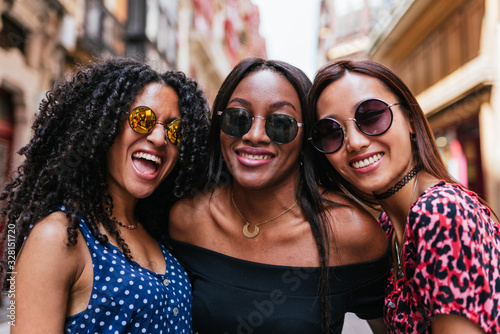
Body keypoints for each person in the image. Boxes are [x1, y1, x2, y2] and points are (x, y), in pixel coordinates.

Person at [168, 57, 390, 334]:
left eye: (280, 124)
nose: (255, 135)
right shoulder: (186, 220)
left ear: (307, 138)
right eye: (238, 119)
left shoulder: (351, 232)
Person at [0, 58, 210, 333]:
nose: (160, 139)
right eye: (143, 119)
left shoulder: (159, 233)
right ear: (105, 126)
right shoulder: (58, 236)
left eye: (174, 130)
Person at [307, 59, 500, 333]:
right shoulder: (386, 228)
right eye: (330, 132)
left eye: (371, 116)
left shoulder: (441, 211)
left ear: (410, 119)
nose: (355, 142)